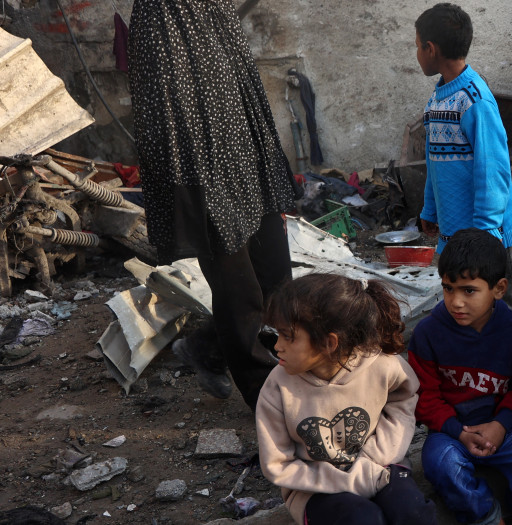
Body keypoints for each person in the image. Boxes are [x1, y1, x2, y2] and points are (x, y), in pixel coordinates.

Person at [129, 0, 295, 408]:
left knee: (276, 271)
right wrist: (196, 182)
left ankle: (208, 346)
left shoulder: (214, 12)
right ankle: (267, 399)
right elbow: (170, 113)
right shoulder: (161, 22)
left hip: (236, 133)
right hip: (198, 155)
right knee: (235, 280)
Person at [255, 274, 436, 525]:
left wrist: (377, 457)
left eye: (288, 336)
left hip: (380, 468)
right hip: (314, 489)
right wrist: (349, 481)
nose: (277, 346)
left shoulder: (381, 366)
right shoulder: (277, 388)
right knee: (362, 519)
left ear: (329, 343)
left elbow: (403, 400)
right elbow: (279, 464)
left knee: (412, 513)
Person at [408, 228, 512, 525]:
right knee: (439, 464)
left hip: (506, 427)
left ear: (499, 289)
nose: (456, 302)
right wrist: (458, 431)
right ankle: (487, 516)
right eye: (448, 288)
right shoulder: (427, 334)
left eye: (469, 290)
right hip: (450, 432)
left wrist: (501, 426)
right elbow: (424, 397)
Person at [415, 3, 512, 312]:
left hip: (486, 236)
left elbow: (493, 174)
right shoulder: (437, 99)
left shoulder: (475, 101)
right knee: (466, 300)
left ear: (431, 49)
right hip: (456, 232)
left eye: (417, 47)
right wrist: (430, 209)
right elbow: (433, 162)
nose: (417, 54)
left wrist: (485, 238)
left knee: (504, 305)